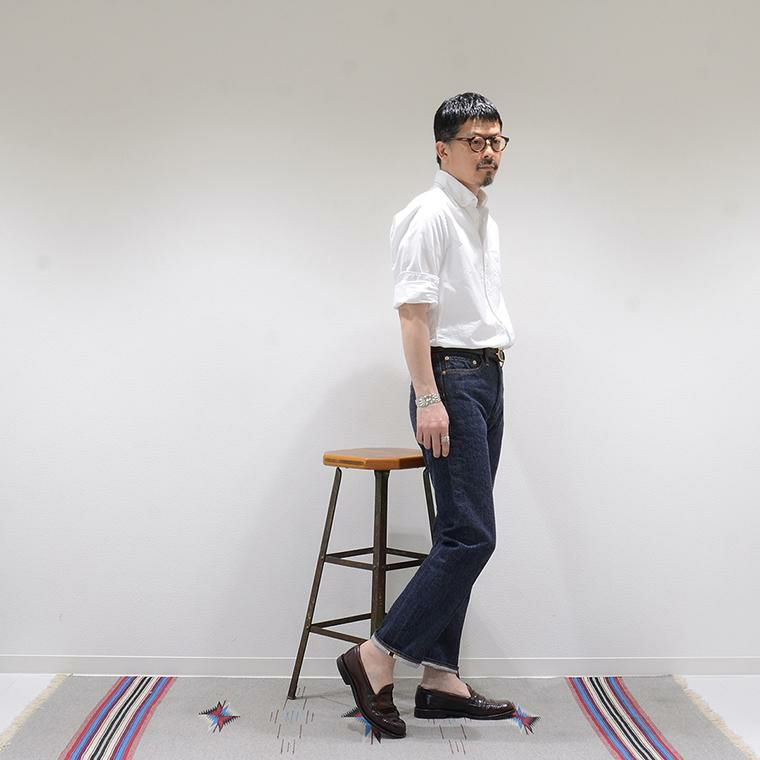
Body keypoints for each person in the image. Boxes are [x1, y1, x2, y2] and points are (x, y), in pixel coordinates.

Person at [336, 92, 517, 739]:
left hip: (486, 377)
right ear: (443, 149)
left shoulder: (481, 216)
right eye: (475, 141)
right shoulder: (429, 214)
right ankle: (375, 655)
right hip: (451, 380)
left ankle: (440, 679)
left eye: (496, 140)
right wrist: (427, 396)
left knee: (455, 534)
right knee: (472, 537)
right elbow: (413, 314)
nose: (488, 152)